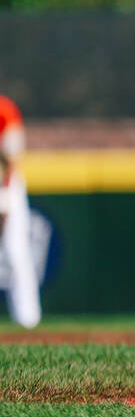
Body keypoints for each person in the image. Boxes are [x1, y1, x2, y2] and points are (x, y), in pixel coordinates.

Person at [0, 94, 40, 329]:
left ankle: (28, 321)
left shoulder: (4, 109)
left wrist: (4, 196)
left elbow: (12, 158)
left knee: (15, 251)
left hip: (6, 184)